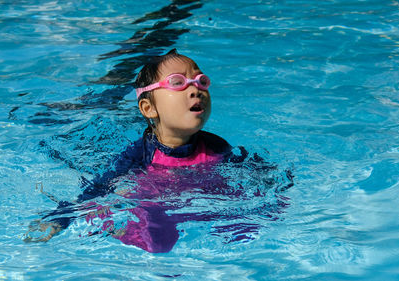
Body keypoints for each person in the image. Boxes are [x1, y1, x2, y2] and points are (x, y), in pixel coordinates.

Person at [24, 49, 250, 251]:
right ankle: (118, 230)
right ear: (148, 108)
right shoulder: (138, 155)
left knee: (243, 230)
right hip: (151, 201)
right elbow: (97, 189)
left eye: (201, 81)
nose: (195, 89)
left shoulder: (217, 147)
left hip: (191, 198)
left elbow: (254, 172)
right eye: (177, 82)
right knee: (159, 243)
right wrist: (59, 219)